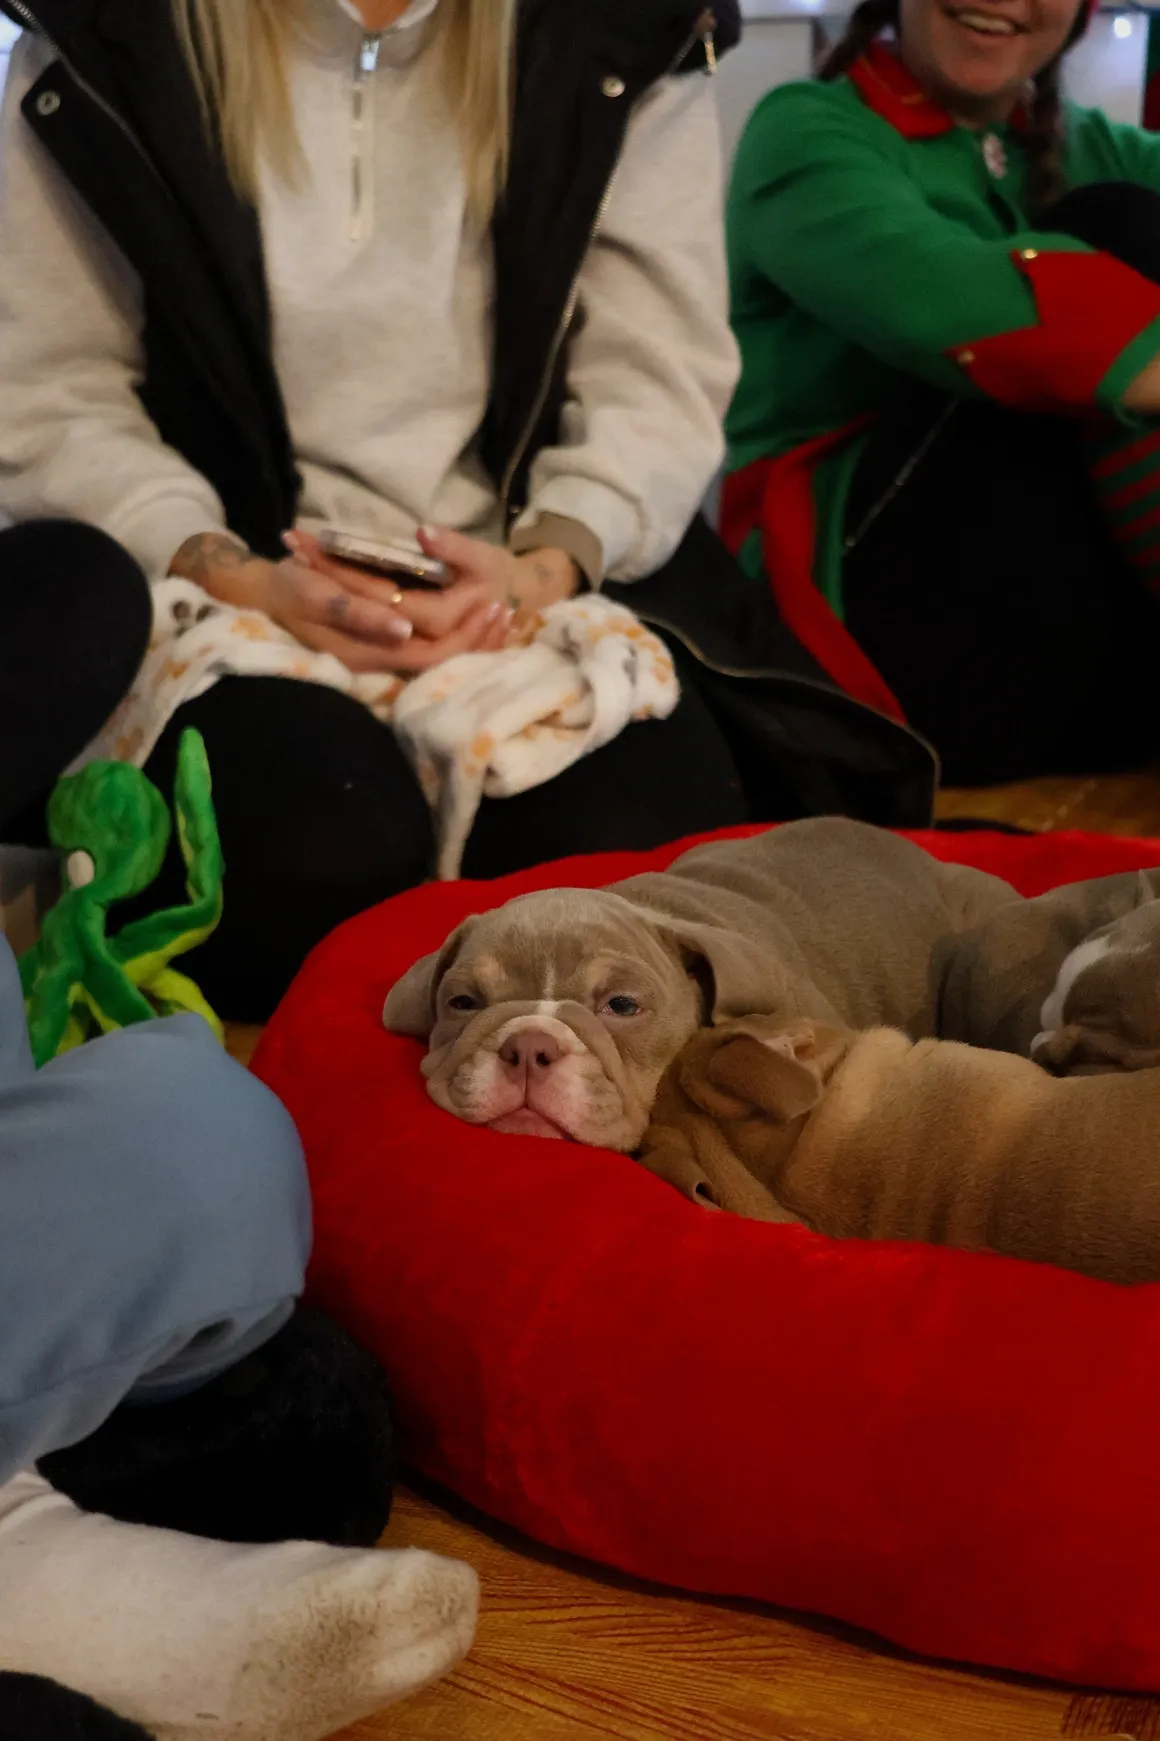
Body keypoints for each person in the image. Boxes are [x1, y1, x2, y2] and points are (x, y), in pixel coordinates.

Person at [0, 0, 762, 1022]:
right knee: (313, 866)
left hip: (523, 582)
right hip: (219, 585)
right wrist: (230, 567)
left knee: (639, 861)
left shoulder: (626, 28)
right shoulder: (106, 30)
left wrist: (543, 562)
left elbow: (653, 373)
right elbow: (50, 390)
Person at [723, 0, 1160, 789]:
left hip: (1065, 654)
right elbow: (945, 305)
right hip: (877, 649)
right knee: (1119, 227)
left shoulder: (1086, 140)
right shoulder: (803, 129)